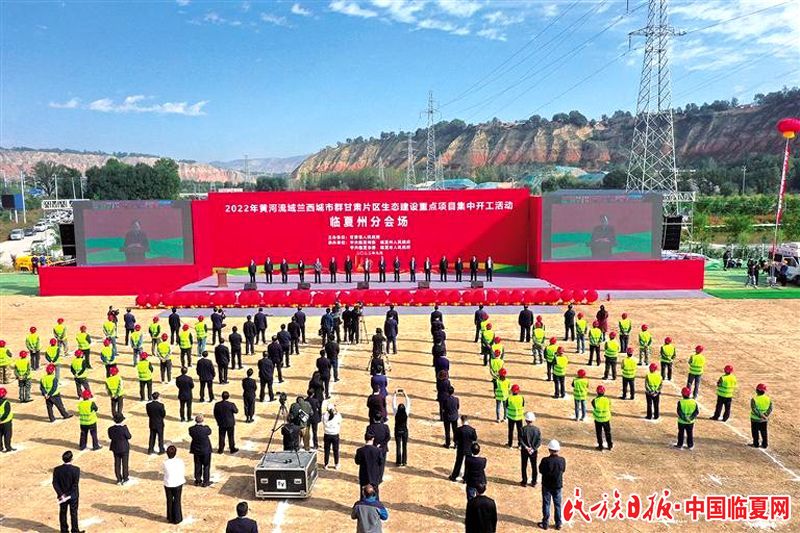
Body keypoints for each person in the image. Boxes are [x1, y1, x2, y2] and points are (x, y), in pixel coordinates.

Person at [538, 440, 566, 530]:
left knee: (546, 504)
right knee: (557, 505)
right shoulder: (562, 460)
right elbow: (563, 470)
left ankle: (545, 523)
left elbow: (541, 470)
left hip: (547, 485)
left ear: (549, 450)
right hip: (557, 485)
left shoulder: (545, 460)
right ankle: (558, 523)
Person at [53, 451, 82, 533]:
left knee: (63, 512)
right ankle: (75, 531)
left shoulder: (57, 470)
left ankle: (64, 531)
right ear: (71, 459)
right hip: (73, 496)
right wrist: (68, 495)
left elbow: (55, 483)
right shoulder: (76, 470)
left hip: (62, 496)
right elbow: (75, 485)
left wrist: (62, 494)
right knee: (73, 513)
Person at [355, 434, 384, 498]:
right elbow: (381, 462)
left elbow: (357, 462)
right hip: (374, 475)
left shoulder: (360, 450)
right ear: (373, 439)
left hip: (364, 475)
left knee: (363, 492)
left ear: (365, 439)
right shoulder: (378, 450)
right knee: (375, 491)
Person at [449, 414, 477, 481]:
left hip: (461, 448)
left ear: (462, 421)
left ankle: (454, 476)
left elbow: (455, 439)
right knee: (468, 463)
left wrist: (458, 443)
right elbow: (475, 438)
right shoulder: (472, 430)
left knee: (458, 463)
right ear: (467, 420)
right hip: (469, 448)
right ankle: (466, 478)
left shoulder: (458, 430)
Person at [162, 445, 185, 524]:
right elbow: (183, 470)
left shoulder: (165, 463)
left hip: (168, 483)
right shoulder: (180, 461)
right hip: (178, 483)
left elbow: (164, 471)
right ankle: (177, 518)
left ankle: (170, 518)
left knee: (169, 500)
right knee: (177, 500)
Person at [108, 413, 131, 485]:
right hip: (124, 448)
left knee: (117, 463)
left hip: (115, 447)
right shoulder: (124, 428)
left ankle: (118, 479)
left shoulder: (110, 429)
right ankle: (125, 478)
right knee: (125, 463)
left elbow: (110, 437)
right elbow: (129, 436)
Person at [189, 414, 212, 487]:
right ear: (202, 420)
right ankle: (206, 482)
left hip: (196, 450)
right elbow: (209, 432)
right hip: (205, 450)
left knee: (197, 465)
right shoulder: (206, 428)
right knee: (206, 466)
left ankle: (198, 481)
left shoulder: (191, 429)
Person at [520, 412, 541, 487]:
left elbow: (520, 440)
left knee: (524, 466)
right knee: (534, 466)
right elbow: (539, 441)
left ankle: (524, 481)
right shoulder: (537, 430)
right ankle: (534, 481)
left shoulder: (523, 429)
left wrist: (526, 447)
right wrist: (533, 448)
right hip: (533, 451)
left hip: (524, 450)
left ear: (526, 420)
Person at [391, 390, 410, 466]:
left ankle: (398, 462)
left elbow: (393, 404)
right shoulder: (406, 412)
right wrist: (405, 395)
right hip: (404, 431)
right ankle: (404, 461)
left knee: (398, 446)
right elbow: (408, 403)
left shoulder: (396, 412)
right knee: (404, 446)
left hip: (397, 431)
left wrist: (395, 395)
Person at [750, 383, 772, 448]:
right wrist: (765, 415)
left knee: (755, 432)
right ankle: (765, 444)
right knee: (764, 432)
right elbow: (770, 408)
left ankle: (756, 444)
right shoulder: (768, 399)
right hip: (764, 419)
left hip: (755, 419)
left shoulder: (754, 399)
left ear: (756, 390)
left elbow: (754, 409)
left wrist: (761, 416)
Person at [323, 402, 342, 470]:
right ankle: (336, 464)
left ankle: (326, 464)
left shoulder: (324, 416)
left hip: (327, 434)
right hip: (335, 435)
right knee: (336, 450)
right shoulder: (337, 415)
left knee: (327, 450)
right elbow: (340, 422)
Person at [592, 385, 612, 451]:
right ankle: (610, 445)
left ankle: (600, 446)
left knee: (599, 433)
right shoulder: (607, 400)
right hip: (606, 419)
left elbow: (594, 406)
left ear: (597, 392)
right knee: (608, 432)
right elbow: (609, 405)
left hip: (598, 419)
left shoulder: (594, 400)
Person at [0, 387, 14, 452]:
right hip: (6, 422)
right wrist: (1, 419)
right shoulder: (6, 403)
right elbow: (6, 413)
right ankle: (8, 447)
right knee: (7, 435)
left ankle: (0, 447)